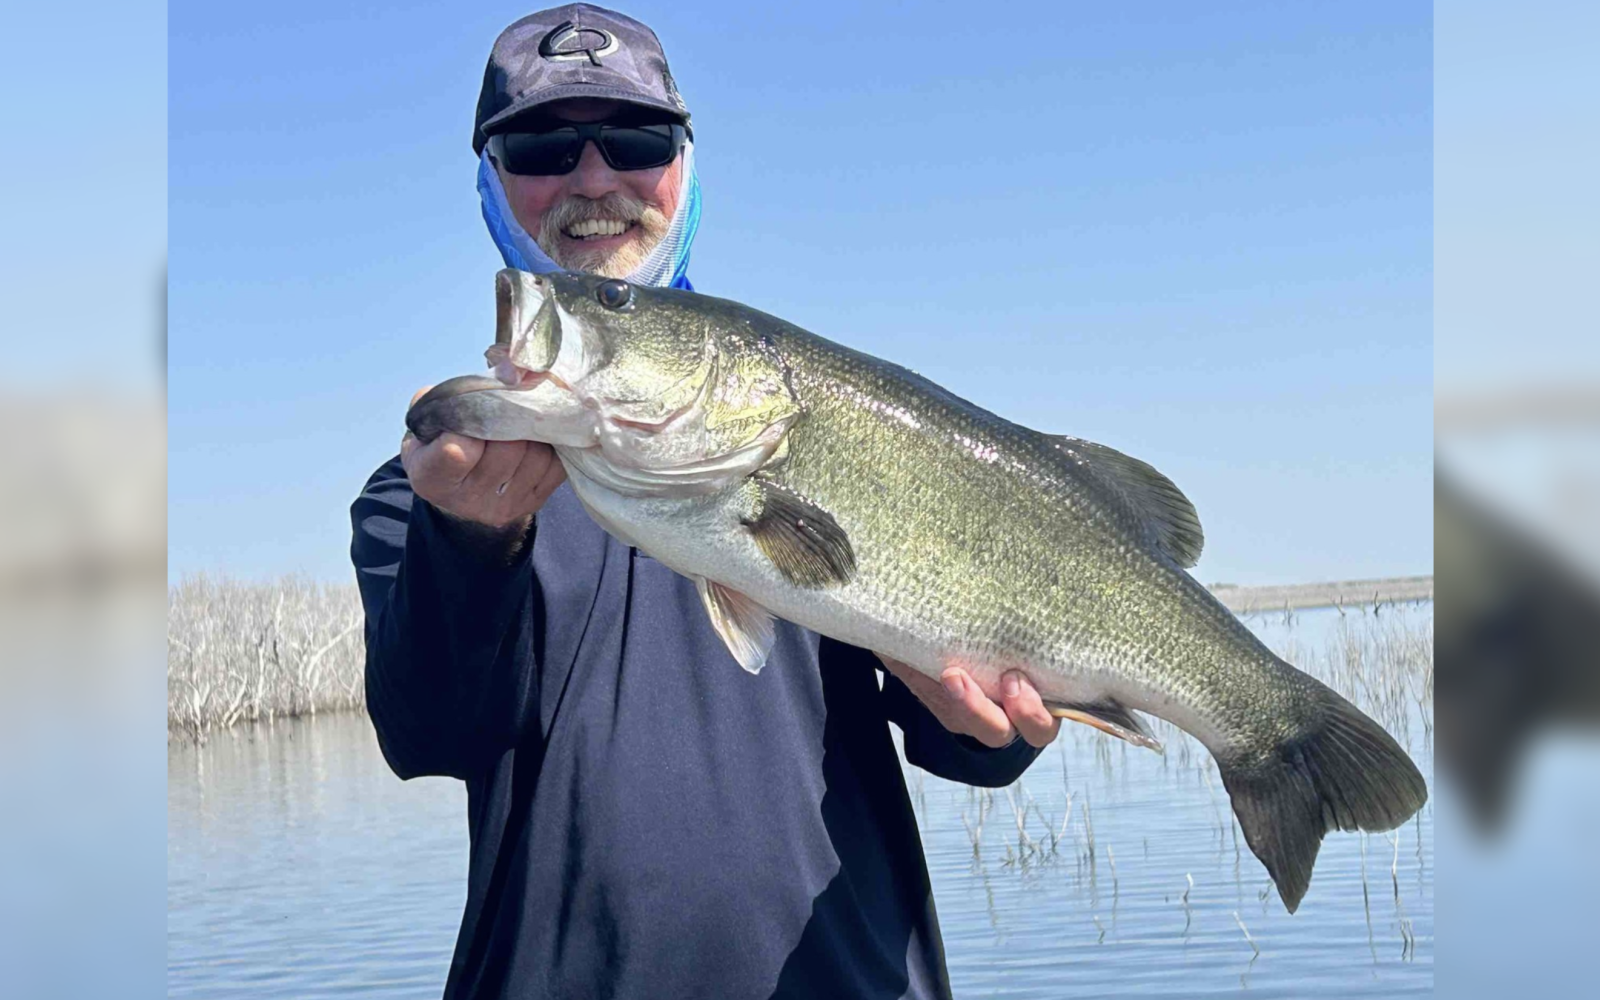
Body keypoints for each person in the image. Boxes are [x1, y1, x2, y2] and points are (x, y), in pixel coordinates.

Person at [351, 6, 1061, 998]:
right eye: (543, 147)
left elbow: (960, 736)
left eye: (633, 141)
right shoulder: (429, 486)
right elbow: (428, 733)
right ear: (490, 181)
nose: (592, 178)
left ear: (684, 165)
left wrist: (991, 728)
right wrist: (469, 545)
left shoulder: (812, 424)